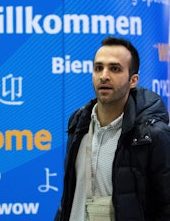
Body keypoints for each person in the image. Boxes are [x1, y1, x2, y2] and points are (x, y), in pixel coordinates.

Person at [54, 36, 170, 221]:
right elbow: (70, 195)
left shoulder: (151, 134)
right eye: (98, 68)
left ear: (133, 80)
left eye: (114, 69)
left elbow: (166, 205)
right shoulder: (78, 123)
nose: (104, 75)